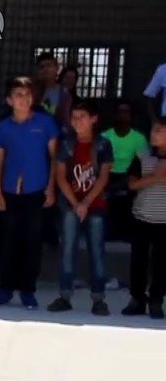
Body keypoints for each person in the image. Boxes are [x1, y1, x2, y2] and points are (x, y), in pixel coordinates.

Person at [0, 77, 59, 310]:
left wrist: (51, 187)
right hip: (10, 191)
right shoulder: (3, 127)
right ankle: (5, 289)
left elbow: (54, 159)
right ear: (10, 100)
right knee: (8, 242)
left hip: (36, 190)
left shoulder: (45, 123)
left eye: (27, 94)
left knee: (32, 243)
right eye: (18, 94)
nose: (23, 98)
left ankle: (28, 290)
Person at [48, 101, 112, 315]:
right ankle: (64, 295)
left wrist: (86, 202)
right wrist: (76, 204)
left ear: (93, 119)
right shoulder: (66, 144)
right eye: (73, 117)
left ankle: (99, 299)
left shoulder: (103, 144)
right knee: (68, 250)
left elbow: (103, 177)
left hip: (96, 205)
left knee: (97, 252)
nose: (76, 121)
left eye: (82, 116)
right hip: (70, 205)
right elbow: (60, 176)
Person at [123, 117, 166, 319]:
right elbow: (131, 184)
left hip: (164, 221)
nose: (153, 134)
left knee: (161, 263)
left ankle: (156, 300)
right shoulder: (142, 155)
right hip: (141, 216)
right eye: (153, 130)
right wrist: (156, 178)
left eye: (158, 130)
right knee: (138, 261)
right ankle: (137, 299)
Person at [103, 100, 147, 243]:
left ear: (131, 116)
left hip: (128, 176)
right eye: (120, 112)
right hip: (107, 174)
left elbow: (142, 164)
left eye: (126, 112)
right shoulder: (105, 136)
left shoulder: (139, 138)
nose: (122, 115)